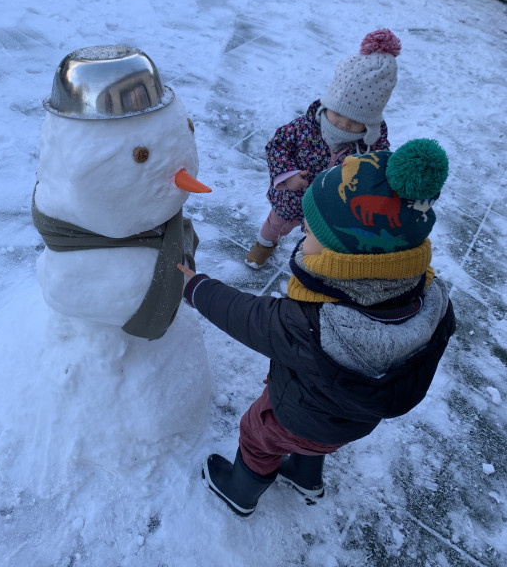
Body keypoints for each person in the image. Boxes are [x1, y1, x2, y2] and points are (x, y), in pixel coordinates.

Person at [178, 138, 456, 518]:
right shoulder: (429, 299)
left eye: (309, 232)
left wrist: (196, 287)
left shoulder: (315, 326)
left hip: (296, 411)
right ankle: (306, 479)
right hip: (351, 423)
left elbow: (246, 315)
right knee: (315, 440)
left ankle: (239, 493)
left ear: (346, 252)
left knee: (259, 436)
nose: (300, 235)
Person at [245, 28, 401, 269]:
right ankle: (264, 244)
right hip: (291, 198)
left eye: (355, 120)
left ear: (369, 121)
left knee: (319, 241)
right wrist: (289, 175)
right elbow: (277, 146)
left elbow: (380, 171)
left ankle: (311, 267)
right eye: (338, 113)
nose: (344, 123)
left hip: (330, 208)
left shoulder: (371, 146)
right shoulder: (305, 127)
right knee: (276, 224)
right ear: (328, 104)